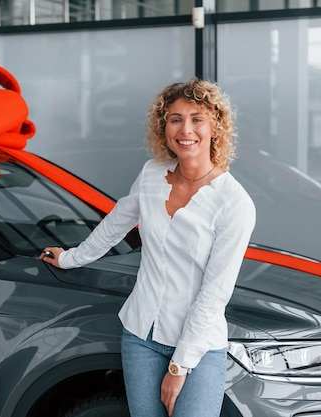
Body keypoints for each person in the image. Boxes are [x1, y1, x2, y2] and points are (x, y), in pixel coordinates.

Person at [40, 78, 256, 417]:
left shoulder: (234, 204)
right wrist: (70, 258)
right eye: (175, 119)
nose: (186, 129)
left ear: (215, 127)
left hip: (198, 347)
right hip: (141, 335)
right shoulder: (152, 174)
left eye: (197, 118)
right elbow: (117, 223)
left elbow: (215, 294)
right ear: (164, 127)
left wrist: (179, 366)